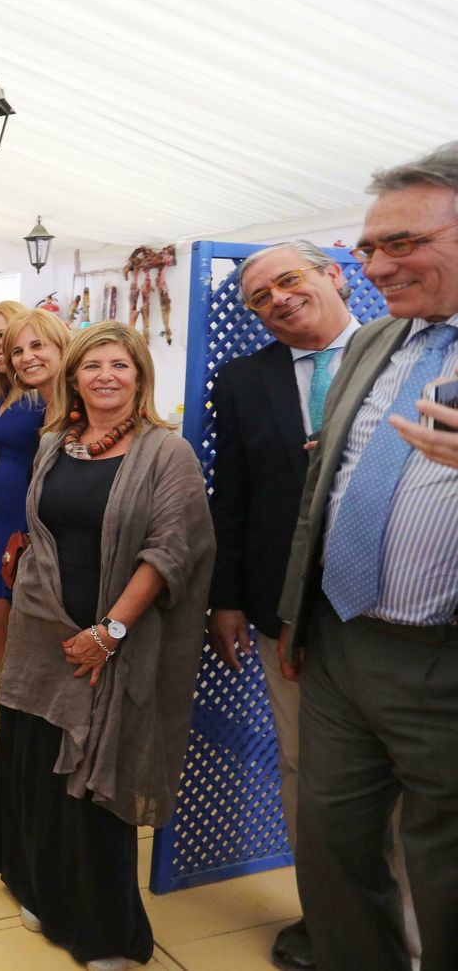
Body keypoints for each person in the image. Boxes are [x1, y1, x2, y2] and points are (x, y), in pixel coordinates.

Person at [276, 143, 458, 971]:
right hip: (342, 643)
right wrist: (298, 615)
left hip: (442, 661)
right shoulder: (379, 340)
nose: (375, 263)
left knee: (445, 878)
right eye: (370, 246)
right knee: (334, 855)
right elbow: (325, 485)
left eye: (402, 243)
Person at [0, 321, 213, 971]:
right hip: (40, 632)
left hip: (109, 635)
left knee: (91, 776)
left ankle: (103, 929)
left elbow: (171, 551)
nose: (105, 376)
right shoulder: (58, 443)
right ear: (74, 379)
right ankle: (37, 888)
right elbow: (41, 524)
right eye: (92, 367)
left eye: (119, 365)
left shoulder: (168, 454)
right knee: (34, 763)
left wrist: (109, 632)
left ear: (140, 376)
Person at [206, 241, 357, 970]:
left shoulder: (405, 357)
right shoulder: (241, 380)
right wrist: (227, 599)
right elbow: (229, 496)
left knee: (407, 781)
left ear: (334, 275)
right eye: (260, 297)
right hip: (286, 615)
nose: (277, 300)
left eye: (288, 281)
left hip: (397, 617)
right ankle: (327, 917)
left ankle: (409, 924)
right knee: (302, 767)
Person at [0, 306, 68, 678]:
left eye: (1, 337)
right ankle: (9, 716)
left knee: (27, 630)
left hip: (34, 519)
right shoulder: (7, 390)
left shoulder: (54, 396)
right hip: (4, 519)